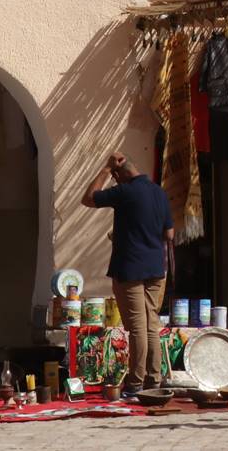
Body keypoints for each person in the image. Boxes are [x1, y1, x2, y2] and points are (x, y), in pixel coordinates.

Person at [80, 152, 174, 400]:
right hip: (156, 268)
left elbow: (88, 198)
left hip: (130, 268)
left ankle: (135, 383)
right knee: (151, 325)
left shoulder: (125, 191)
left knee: (137, 329)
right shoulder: (158, 192)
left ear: (120, 176)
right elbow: (170, 233)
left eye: (115, 177)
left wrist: (104, 169)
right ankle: (154, 379)